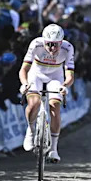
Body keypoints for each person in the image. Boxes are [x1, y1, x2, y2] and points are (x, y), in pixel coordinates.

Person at [18, 23, 75, 163]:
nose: (52, 48)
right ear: (44, 41)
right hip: (36, 75)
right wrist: (24, 83)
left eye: (56, 45)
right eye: (49, 44)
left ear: (61, 42)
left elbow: (70, 75)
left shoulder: (68, 48)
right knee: (34, 102)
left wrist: (65, 86)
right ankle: (31, 131)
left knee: (55, 106)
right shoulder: (36, 44)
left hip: (56, 77)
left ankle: (54, 149)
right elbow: (24, 70)